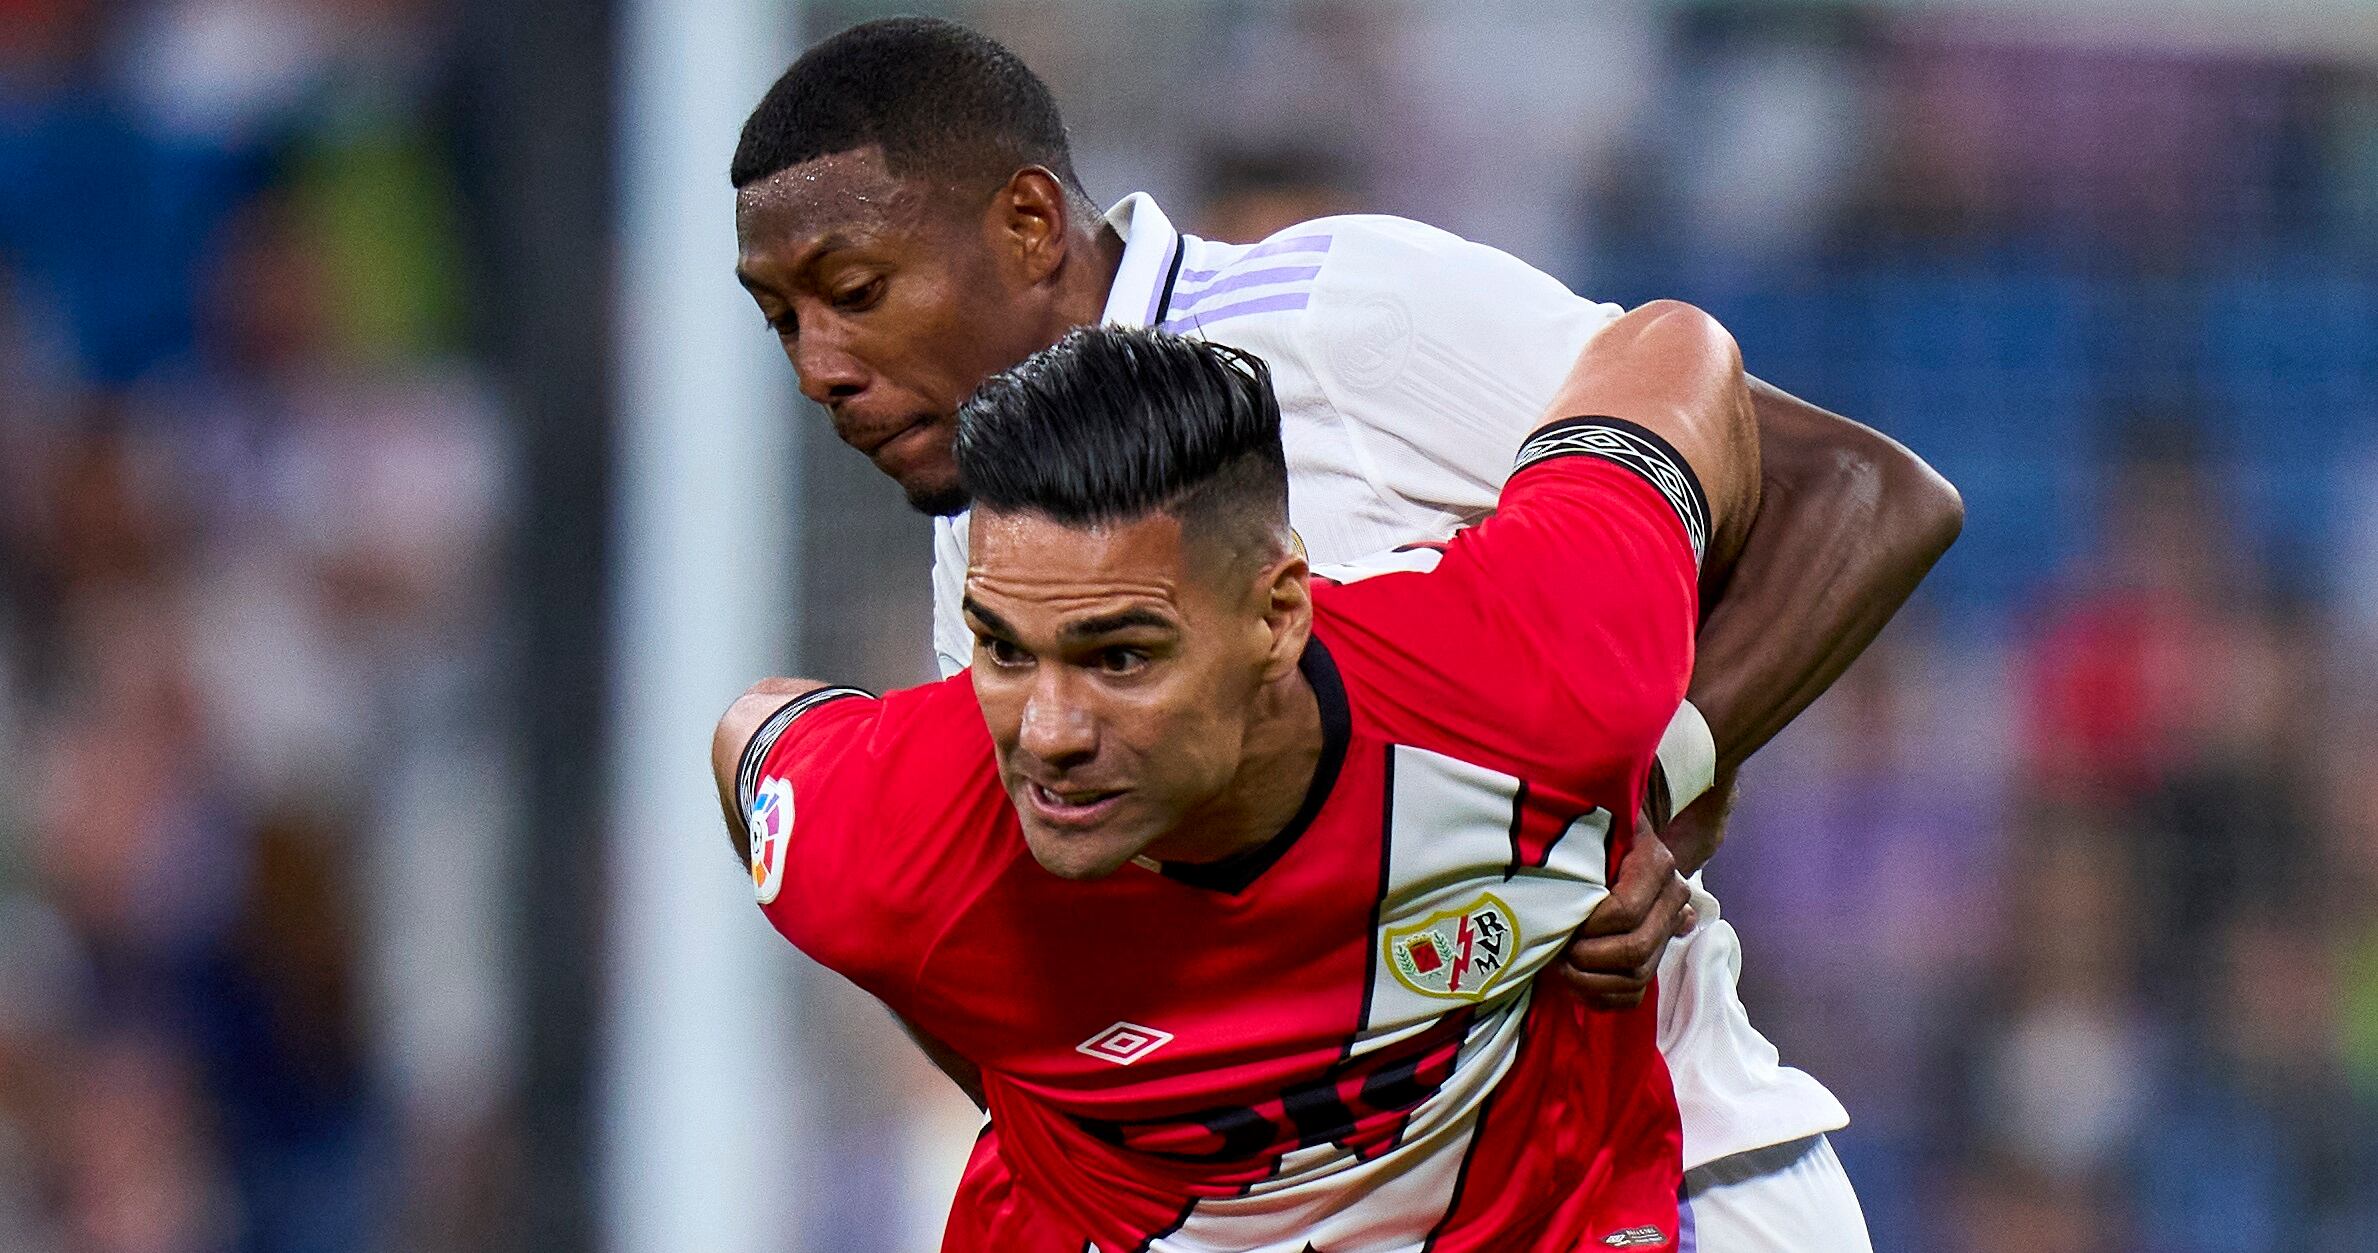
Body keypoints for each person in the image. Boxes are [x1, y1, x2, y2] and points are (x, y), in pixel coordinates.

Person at [728, 17, 1962, 1247]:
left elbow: (1854, 490)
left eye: (853, 293)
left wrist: (1649, 781)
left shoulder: (1334, 322)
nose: (817, 366)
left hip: (1657, 1153)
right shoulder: (986, 536)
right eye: (782, 320)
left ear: (1031, 225)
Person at [714, 312, 1755, 1249]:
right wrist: (1005, 1061)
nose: (1050, 730)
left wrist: (1662, 775)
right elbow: (748, 736)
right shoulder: (896, 830)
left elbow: (1678, 351)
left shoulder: (1528, 669)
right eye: (1002, 648)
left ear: (1276, 616)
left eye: (1119, 656)